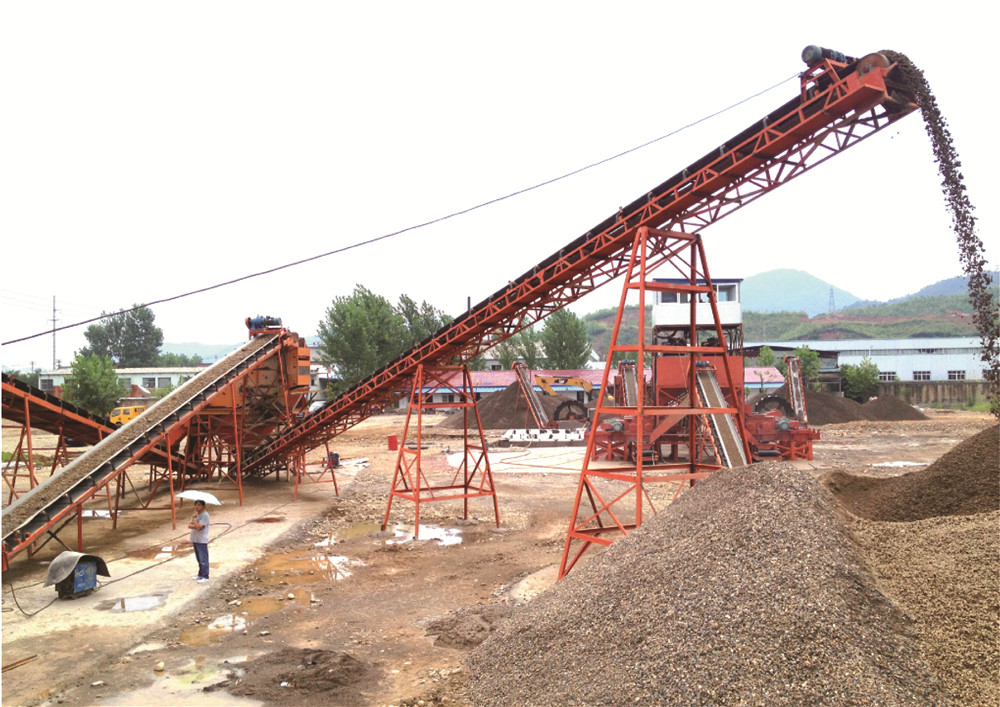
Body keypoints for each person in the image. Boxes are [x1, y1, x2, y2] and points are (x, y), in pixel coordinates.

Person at [188, 500, 210, 582]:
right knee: (199, 558)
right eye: (196, 505)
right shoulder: (196, 514)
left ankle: (205, 576)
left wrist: (195, 521)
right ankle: (200, 574)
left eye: (199, 505)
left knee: (203, 558)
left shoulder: (205, 516)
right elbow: (189, 525)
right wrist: (195, 524)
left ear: (203, 506)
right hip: (195, 538)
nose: (197, 507)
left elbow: (199, 527)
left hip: (202, 539)